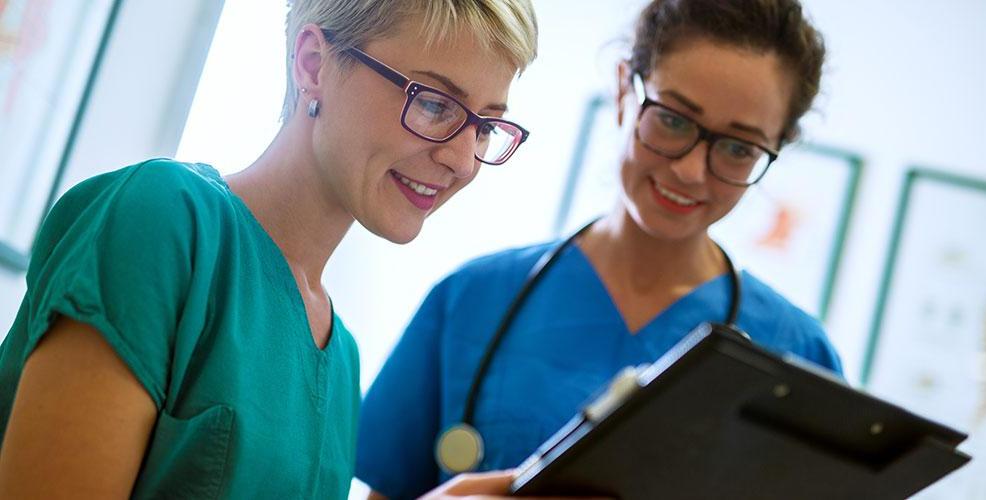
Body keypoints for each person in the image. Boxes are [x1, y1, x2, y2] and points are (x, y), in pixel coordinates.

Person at [0, 0, 553, 498]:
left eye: (485, 127)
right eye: (434, 104)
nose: (462, 161)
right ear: (313, 63)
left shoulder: (341, 359)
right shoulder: (164, 220)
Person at [356, 0, 845, 497]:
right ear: (621, 91)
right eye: (673, 120)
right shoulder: (473, 299)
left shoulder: (797, 355)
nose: (691, 171)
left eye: (738, 148)